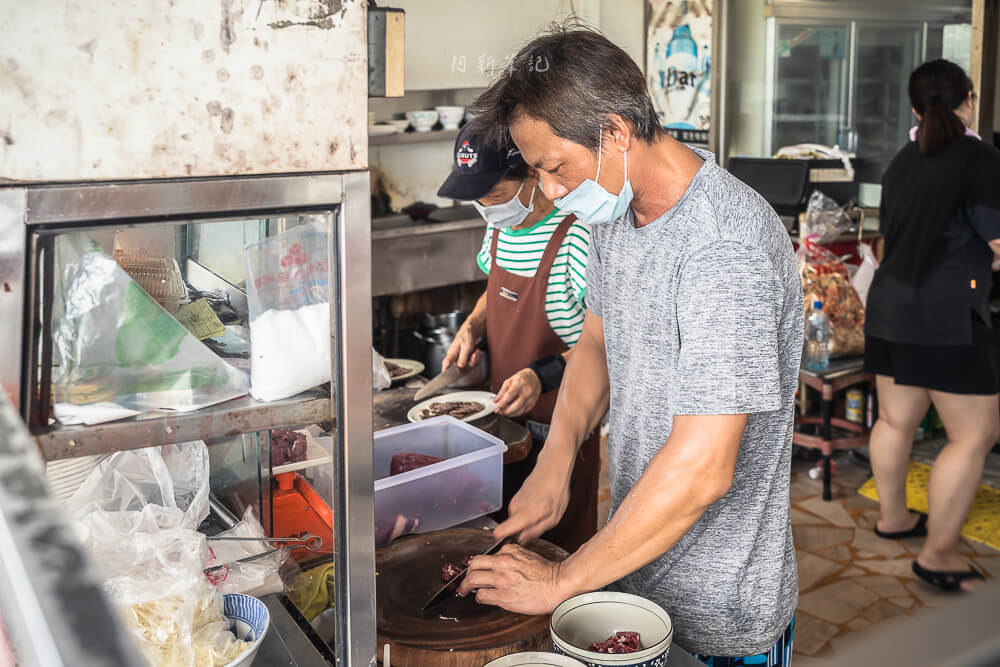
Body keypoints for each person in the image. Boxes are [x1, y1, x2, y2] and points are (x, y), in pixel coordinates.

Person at [457, 26, 802, 665]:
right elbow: (596, 341)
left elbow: (704, 466)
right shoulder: (615, 214)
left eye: (557, 168)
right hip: (633, 575)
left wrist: (561, 580)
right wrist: (555, 464)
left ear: (615, 132)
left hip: (721, 611)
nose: (553, 192)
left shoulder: (724, 249)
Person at [864, 59, 1000, 593]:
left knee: (896, 422)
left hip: (892, 308)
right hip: (946, 318)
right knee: (975, 434)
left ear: (914, 108)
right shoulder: (981, 158)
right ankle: (940, 554)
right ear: (969, 98)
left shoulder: (902, 161)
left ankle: (893, 518)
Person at [437, 121, 599, 552]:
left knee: (553, 547)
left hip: (562, 421)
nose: (487, 208)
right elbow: (494, 288)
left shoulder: (578, 236)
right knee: (497, 534)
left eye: (494, 196)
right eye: (479, 200)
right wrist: (473, 327)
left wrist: (541, 376)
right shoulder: (500, 226)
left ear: (532, 175)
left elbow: (606, 343)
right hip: (501, 418)